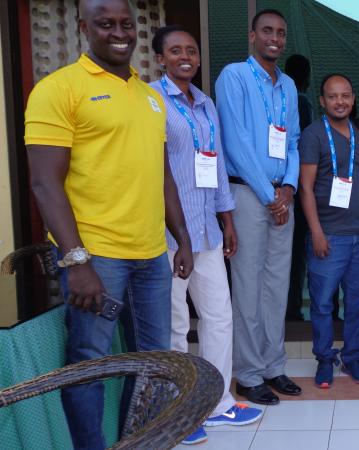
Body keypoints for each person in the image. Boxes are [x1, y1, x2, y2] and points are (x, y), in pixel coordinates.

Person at [24, 1, 193, 448]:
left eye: (125, 24)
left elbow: (162, 177)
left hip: (151, 257)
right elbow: (44, 184)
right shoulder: (59, 89)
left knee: (156, 363)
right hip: (97, 257)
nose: (118, 33)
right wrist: (76, 260)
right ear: (83, 27)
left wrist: (182, 238)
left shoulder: (150, 97)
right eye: (105, 24)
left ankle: (141, 442)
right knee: (90, 363)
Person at [150, 26, 263, 445]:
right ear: (160, 58)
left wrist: (227, 219)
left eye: (191, 51)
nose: (185, 56)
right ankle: (178, 411)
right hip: (168, 235)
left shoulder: (206, 104)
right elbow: (153, 171)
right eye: (175, 51)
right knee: (176, 324)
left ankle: (216, 403)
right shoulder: (152, 101)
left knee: (218, 317)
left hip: (207, 231)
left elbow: (214, 167)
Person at [215, 8, 303, 405]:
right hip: (250, 197)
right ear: (252, 36)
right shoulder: (233, 76)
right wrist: (270, 197)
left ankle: (273, 366)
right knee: (248, 287)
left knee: (276, 287)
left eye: (281, 33)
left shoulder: (286, 86)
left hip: (281, 198)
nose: (275, 38)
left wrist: (288, 186)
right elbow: (235, 143)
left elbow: (294, 143)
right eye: (267, 31)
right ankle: (248, 373)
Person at [299, 73, 359, 389]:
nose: (340, 101)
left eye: (345, 95)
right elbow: (305, 187)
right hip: (329, 236)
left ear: (353, 98)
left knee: (357, 304)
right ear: (322, 101)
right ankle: (325, 361)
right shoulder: (314, 135)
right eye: (333, 96)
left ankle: (353, 358)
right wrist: (316, 231)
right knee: (323, 304)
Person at [284, 53, 314, 323]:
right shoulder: (301, 103)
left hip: (282, 186)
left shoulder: (283, 99)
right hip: (296, 187)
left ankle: (287, 309)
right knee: (295, 257)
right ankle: (292, 310)